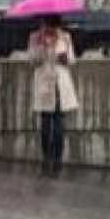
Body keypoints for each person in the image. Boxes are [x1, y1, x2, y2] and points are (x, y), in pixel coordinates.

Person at [27, 15, 78, 176]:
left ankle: (58, 159)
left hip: (60, 85)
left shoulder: (65, 37)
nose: (50, 29)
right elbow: (32, 61)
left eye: (53, 26)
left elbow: (71, 60)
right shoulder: (35, 37)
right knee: (45, 125)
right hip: (44, 85)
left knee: (58, 126)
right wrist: (41, 47)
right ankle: (46, 157)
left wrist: (63, 56)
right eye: (47, 25)